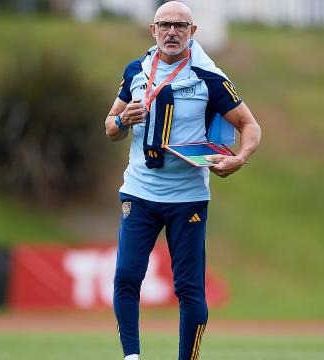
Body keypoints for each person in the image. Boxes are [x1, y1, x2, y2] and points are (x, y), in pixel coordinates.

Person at [104, 2, 261, 359]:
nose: (171, 32)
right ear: (152, 29)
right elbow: (110, 127)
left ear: (193, 32)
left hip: (188, 198)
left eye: (180, 26)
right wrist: (123, 121)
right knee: (126, 277)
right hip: (139, 194)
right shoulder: (135, 71)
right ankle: (131, 358)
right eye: (165, 25)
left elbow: (250, 125)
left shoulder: (209, 76)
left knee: (189, 289)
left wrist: (241, 158)